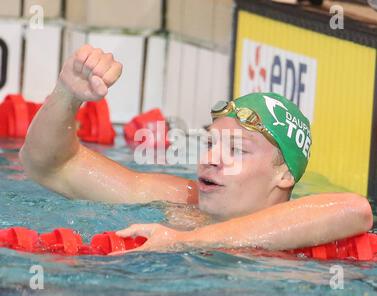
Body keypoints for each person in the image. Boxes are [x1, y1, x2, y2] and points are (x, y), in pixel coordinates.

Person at [19, 45, 373, 254]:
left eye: (236, 149)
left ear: (284, 174)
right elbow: (52, 166)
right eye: (210, 143)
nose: (211, 158)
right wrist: (67, 93)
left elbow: (356, 209)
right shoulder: (179, 204)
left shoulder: (313, 221)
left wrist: (187, 242)